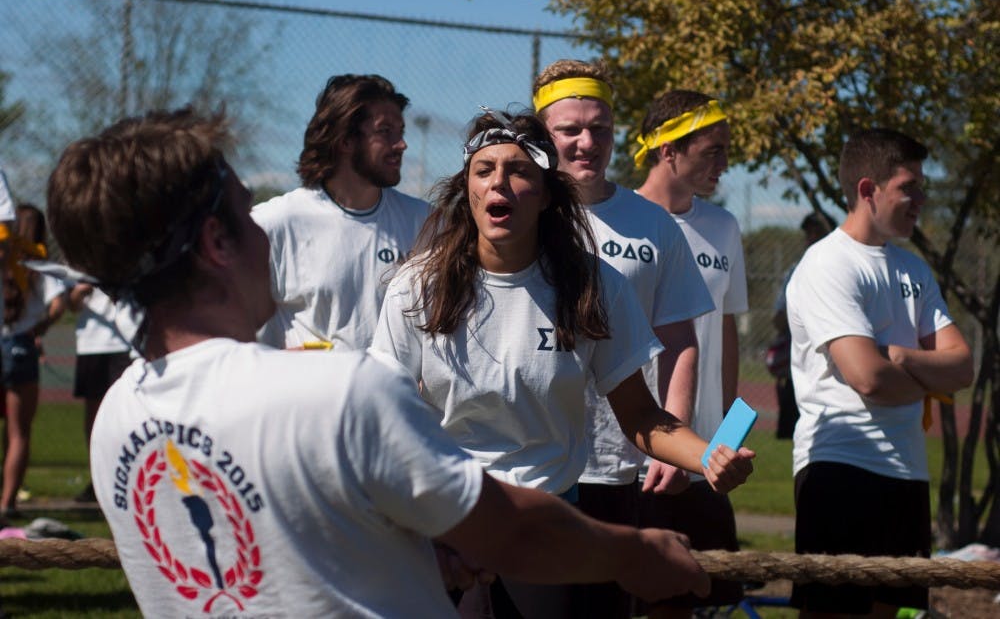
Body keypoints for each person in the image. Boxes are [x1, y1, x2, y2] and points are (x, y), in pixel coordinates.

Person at [47, 106, 728, 617]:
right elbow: (511, 532)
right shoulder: (336, 396)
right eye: (247, 212)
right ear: (218, 242)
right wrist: (636, 554)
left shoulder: (117, 422)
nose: (267, 228)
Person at [372, 109, 754, 618]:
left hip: (545, 526)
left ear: (548, 192)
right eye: (483, 170)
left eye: (518, 170)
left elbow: (641, 416)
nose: (498, 183)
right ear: (467, 188)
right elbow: (380, 415)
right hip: (447, 523)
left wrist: (707, 456)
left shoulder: (593, 287)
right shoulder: (416, 286)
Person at [532, 60, 714, 617]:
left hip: (617, 462)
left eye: (601, 128)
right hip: (529, 461)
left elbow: (681, 339)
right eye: (570, 130)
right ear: (542, 135)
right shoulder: (517, 214)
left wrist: (675, 438)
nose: (588, 143)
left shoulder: (653, 223)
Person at [786, 128, 973, 617]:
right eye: (909, 186)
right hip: (840, 469)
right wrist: (926, 374)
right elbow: (867, 377)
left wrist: (904, 357)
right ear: (868, 190)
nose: (921, 199)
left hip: (907, 473)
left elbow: (963, 366)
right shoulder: (827, 263)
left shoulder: (913, 270)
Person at [633, 90, 750, 617]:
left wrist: (721, 440)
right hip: (631, 462)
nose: (724, 164)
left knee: (703, 603)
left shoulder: (723, 227)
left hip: (699, 458)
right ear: (667, 151)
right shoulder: (617, 220)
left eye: (725, 151)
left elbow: (725, 330)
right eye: (712, 151)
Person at [253, 74, 430, 350]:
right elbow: (226, 329)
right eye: (385, 131)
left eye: (401, 131)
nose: (401, 144)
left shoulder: (426, 223)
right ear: (345, 140)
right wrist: (275, 362)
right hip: (308, 393)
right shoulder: (273, 223)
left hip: (392, 394)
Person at [0, 204, 67, 518]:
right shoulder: (36, 263)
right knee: (18, 432)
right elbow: (59, 303)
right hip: (21, 346)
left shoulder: (4, 259)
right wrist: (40, 328)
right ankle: (7, 503)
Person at [67, 283, 137, 503]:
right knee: (95, 417)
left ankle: (126, 477)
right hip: (92, 344)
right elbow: (72, 304)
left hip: (124, 342)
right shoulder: (80, 262)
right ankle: (97, 480)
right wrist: (80, 292)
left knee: (126, 414)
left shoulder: (129, 256)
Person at [769, 213, 830, 439]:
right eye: (809, 233)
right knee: (798, 432)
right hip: (801, 365)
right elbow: (777, 319)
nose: (812, 238)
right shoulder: (796, 271)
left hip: (833, 362)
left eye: (818, 232)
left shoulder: (843, 268)